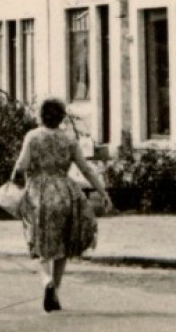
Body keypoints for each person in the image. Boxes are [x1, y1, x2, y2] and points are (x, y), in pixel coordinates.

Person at [10, 98, 110, 312]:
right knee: (63, 244)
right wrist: (102, 192)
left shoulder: (33, 136)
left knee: (41, 241)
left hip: (39, 194)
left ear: (41, 115)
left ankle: (46, 280)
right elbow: (86, 169)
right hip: (65, 193)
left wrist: (13, 183)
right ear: (62, 117)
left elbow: (21, 165)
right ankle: (55, 290)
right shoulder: (69, 139)